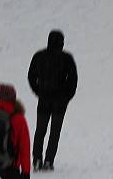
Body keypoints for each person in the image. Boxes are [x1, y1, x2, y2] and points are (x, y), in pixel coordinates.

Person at [28, 30, 77, 171]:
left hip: (43, 98)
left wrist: (38, 91)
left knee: (40, 130)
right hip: (60, 101)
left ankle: (37, 159)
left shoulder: (39, 56)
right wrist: (67, 96)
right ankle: (49, 160)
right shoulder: (66, 58)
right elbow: (73, 80)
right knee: (55, 132)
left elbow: (31, 76)